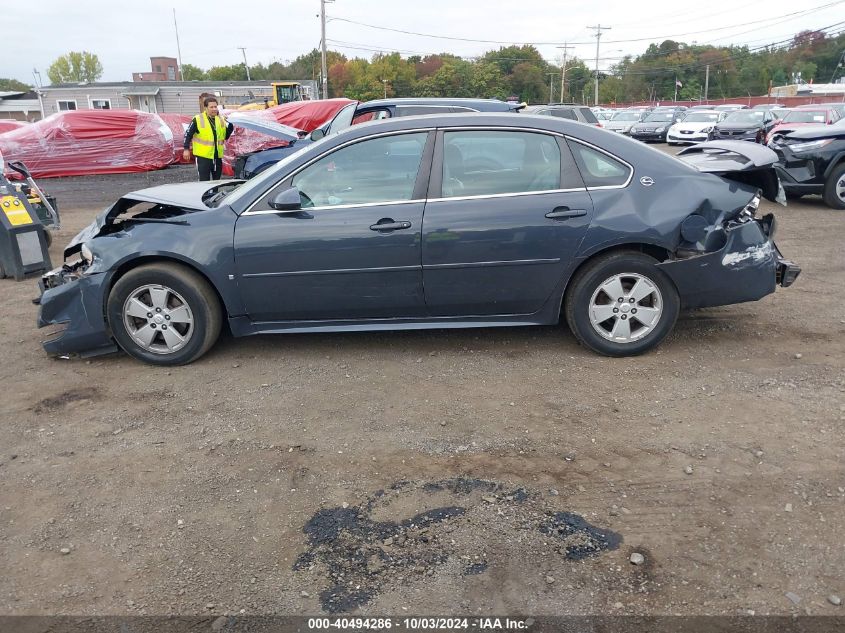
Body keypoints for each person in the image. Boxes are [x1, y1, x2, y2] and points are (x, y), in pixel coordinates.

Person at [183, 97, 234, 181]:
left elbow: (225, 137)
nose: (214, 109)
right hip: (203, 157)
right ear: (205, 108)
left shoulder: (220, 119)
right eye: (211, 107)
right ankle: (205, 194)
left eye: (215, 106)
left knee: (217, 181)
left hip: (217, 156)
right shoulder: (198, 119)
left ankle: (215, 194)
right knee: (204, 181)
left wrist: (230, 127)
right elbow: (188, 134)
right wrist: (186, 149)